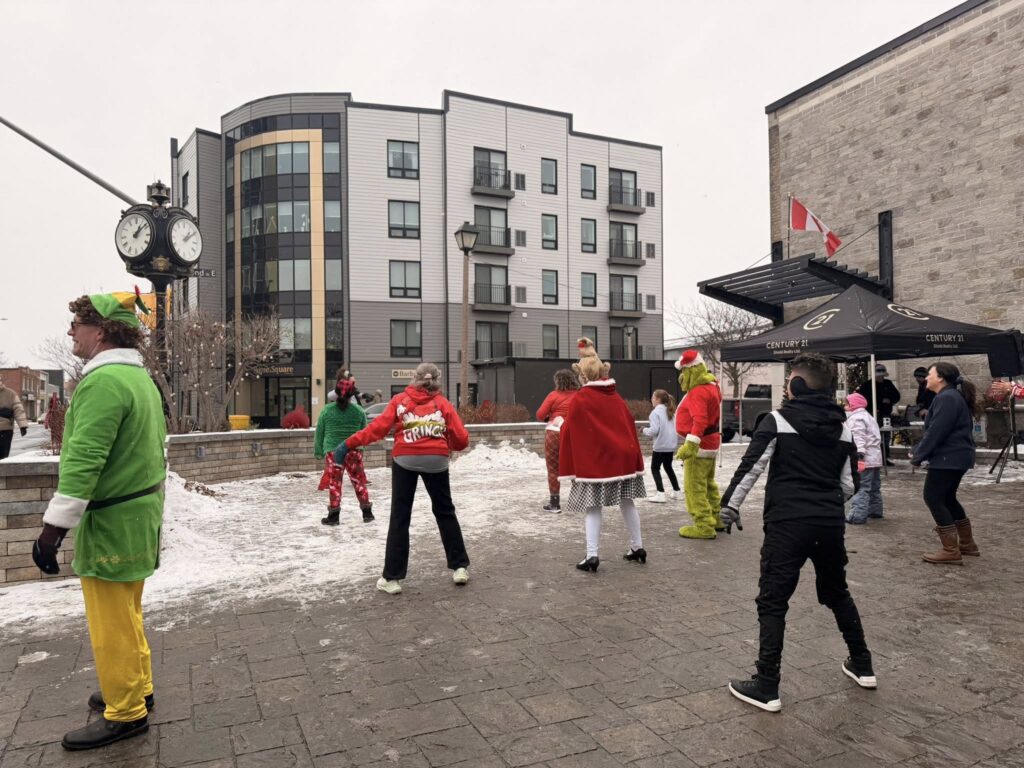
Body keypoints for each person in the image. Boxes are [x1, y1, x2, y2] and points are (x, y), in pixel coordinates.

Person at [32, 290, 165, 750]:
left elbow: (84, 459)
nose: (71, 331)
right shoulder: (138, 379)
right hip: (138, 516)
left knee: (111, 623)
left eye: (77, 324)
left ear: (101, 331)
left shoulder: (103, 382)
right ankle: (137, 687)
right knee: (128, 612)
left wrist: (52, 530)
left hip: (111, 522)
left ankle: (126, 712)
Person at [719, 352, 874, 712]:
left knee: (773, 600)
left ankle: (767, 684)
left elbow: (751, 467)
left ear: (797, 385)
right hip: (829, 524)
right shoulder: (843, 428)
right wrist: (824, 503)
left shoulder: (776, 420)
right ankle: (862, 664)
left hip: (787, 524)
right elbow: (850, 484)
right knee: (837, 592)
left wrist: (729, 507)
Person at [336, 362, 470, 594]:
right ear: (436, 380)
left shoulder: (399, 401)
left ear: (414, 379)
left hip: (405, 458)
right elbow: (461, 439)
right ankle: (459, 567)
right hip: (436, 460)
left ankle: (392, 578)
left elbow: (377, 429)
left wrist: (348, 443)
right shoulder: (443, 403)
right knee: (445, 511)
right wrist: (445, 443)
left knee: (400, 515)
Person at [558, 338, 646, 571]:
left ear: (584, 375)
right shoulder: (615, 397)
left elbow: (571, 428)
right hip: (623, 460)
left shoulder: (581, 398)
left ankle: (592, 556)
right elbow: (627, 424)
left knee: (593, 507)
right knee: (627, 502)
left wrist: (559, 425)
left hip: (596, 463)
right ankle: (638, 547)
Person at [910, 362, 981, 564]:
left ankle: (950, 550)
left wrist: (918, 455)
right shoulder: (949, 396)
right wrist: (919, 451)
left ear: (940, 377)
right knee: (948, 498)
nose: (926, 378)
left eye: (930, 374)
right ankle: (967, 544)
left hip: (949, 457)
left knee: (933, 497)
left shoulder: (947, 397)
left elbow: (937, 431)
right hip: (956, 456)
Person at [674, 350, 725, 539]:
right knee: (708, 484)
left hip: (700, 445)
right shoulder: (712, 386)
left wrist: (691, 444)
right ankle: (716, 518)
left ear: (690, 371)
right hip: (711, 441)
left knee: (694, 486)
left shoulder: (698, 391)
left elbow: (700, 420)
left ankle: (703, 525)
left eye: (683, 372)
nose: (681, 377)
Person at [314, 377, 373, 525]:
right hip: (353, 450)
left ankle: (334, 516)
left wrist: (318, 451)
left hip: (333, 451)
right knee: (359, 482)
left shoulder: (327, 410)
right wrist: (361, 448)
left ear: (336, 393)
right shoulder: (358, 411)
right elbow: (364, 432)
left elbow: (319, 432)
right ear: (352, 394)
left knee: (335, 483)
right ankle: (367, 513)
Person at [536, 369, 580, 512]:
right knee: (577, 467)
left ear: (557, 381)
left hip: (554, 433)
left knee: (553, 469)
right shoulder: (579, 395)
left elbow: (540, 415)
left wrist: (550, 416)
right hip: (573, 434)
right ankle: (580, 501)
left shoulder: (553, 395)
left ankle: (554, 504)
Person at [844, 393, 883, 524]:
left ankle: (857, 515)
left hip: (864, 459)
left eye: (846, 404)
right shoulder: (868, 416)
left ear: (852, 405)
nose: (845, 406)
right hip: (875, 458)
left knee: (861, 486)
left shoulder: (856, 419)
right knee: (874, 486)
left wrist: (859, 456)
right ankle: (875, 510)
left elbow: (858, 438)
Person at [856, 363, 900, 466]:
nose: (880, 377)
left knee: (886, 436)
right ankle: (876, 457)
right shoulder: (867, 385)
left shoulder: (888, 383)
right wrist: (877, 403)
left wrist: (889, 400)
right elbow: (862, 399)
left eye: (882, 376)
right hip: (871, 414)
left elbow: (897, 396)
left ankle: (885, 457)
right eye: (879, 376)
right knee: (874, 436)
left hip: (885, 414)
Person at [643, 389, 680, 503]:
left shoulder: (655, 413)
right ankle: (677, 491)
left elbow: (654, 430)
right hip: (670, 445)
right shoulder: (671, 412)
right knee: (668, 467)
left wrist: (644, 430)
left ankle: (660, 493)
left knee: (655, 468)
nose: (651, 400)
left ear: (658, 400)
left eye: (653, 398)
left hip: (660, 446)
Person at [0, 373, 29, 460]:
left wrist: (23, 426)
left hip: (5, 431)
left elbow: (18, 410)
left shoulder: (11, 394)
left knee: (3, 457)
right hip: (6, 429)